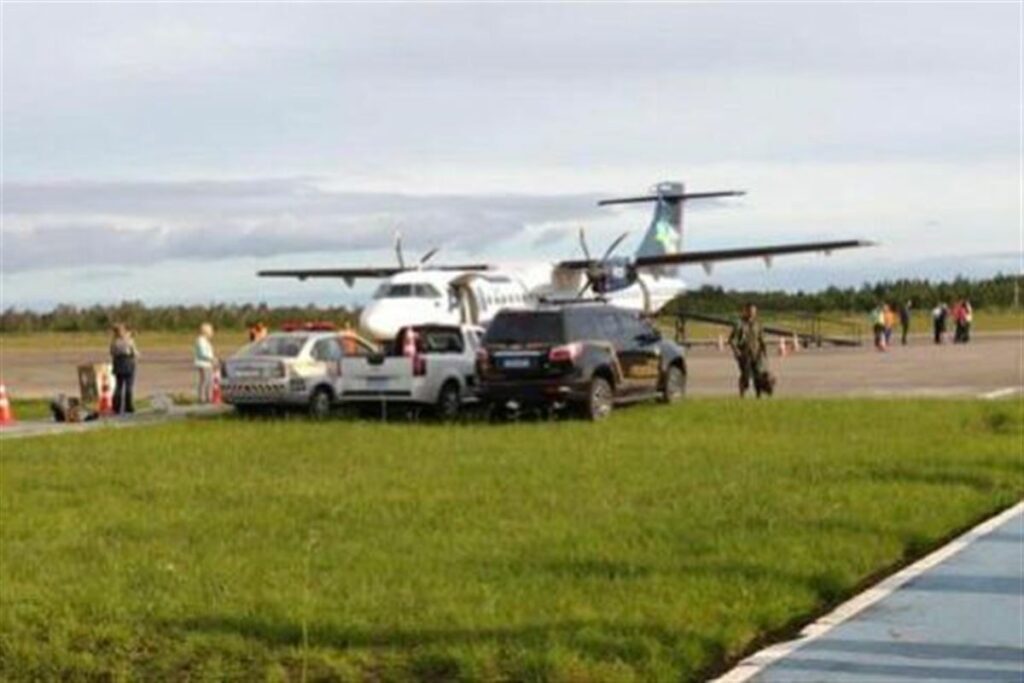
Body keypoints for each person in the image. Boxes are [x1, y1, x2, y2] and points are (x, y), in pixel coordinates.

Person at [728, 303, 771, 398]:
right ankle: (742, 395)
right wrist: (737, 351)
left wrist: (764, 351)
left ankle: (758, 396)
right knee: (746, 376)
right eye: (750, 311)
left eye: (754, 311)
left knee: (758, 375)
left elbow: (761, 338)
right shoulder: (739, 324)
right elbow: (732, 340)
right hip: (744, 354)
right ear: (745, 311)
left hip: (756, 353)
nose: (752, 313)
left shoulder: (758, 324)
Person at [109, 323, 139, 414]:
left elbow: (112, 352)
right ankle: (128, 406)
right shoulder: (129, 341)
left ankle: (116, 407)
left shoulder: (114, 342)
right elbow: (134, 352)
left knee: (118, 386)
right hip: (128, 363)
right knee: (129, 386)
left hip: (118, 364)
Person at [194, 323, 217, 403]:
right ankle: (202, 398)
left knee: (209, 381)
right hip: (203, 364)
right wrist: (212, 359)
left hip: (208, 364)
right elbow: (202, 353)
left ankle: (208, 397)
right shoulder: (200, 340)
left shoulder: (205, 340)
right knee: (204, 380)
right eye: (211, 331)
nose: (212, 333)